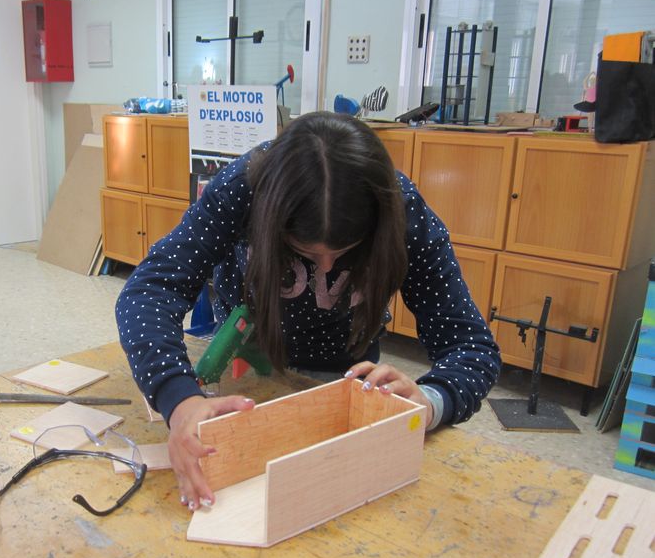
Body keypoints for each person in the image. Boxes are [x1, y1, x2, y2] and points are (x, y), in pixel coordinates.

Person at [115, 111, 501, 511]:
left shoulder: (402, 210)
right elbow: (148, 292)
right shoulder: (243, 189)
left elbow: (471, 346)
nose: (327, 267)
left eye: (345, 250)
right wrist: (179, 400)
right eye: (305, 251)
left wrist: (431, 401)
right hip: (244, 371)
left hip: (343, 379)